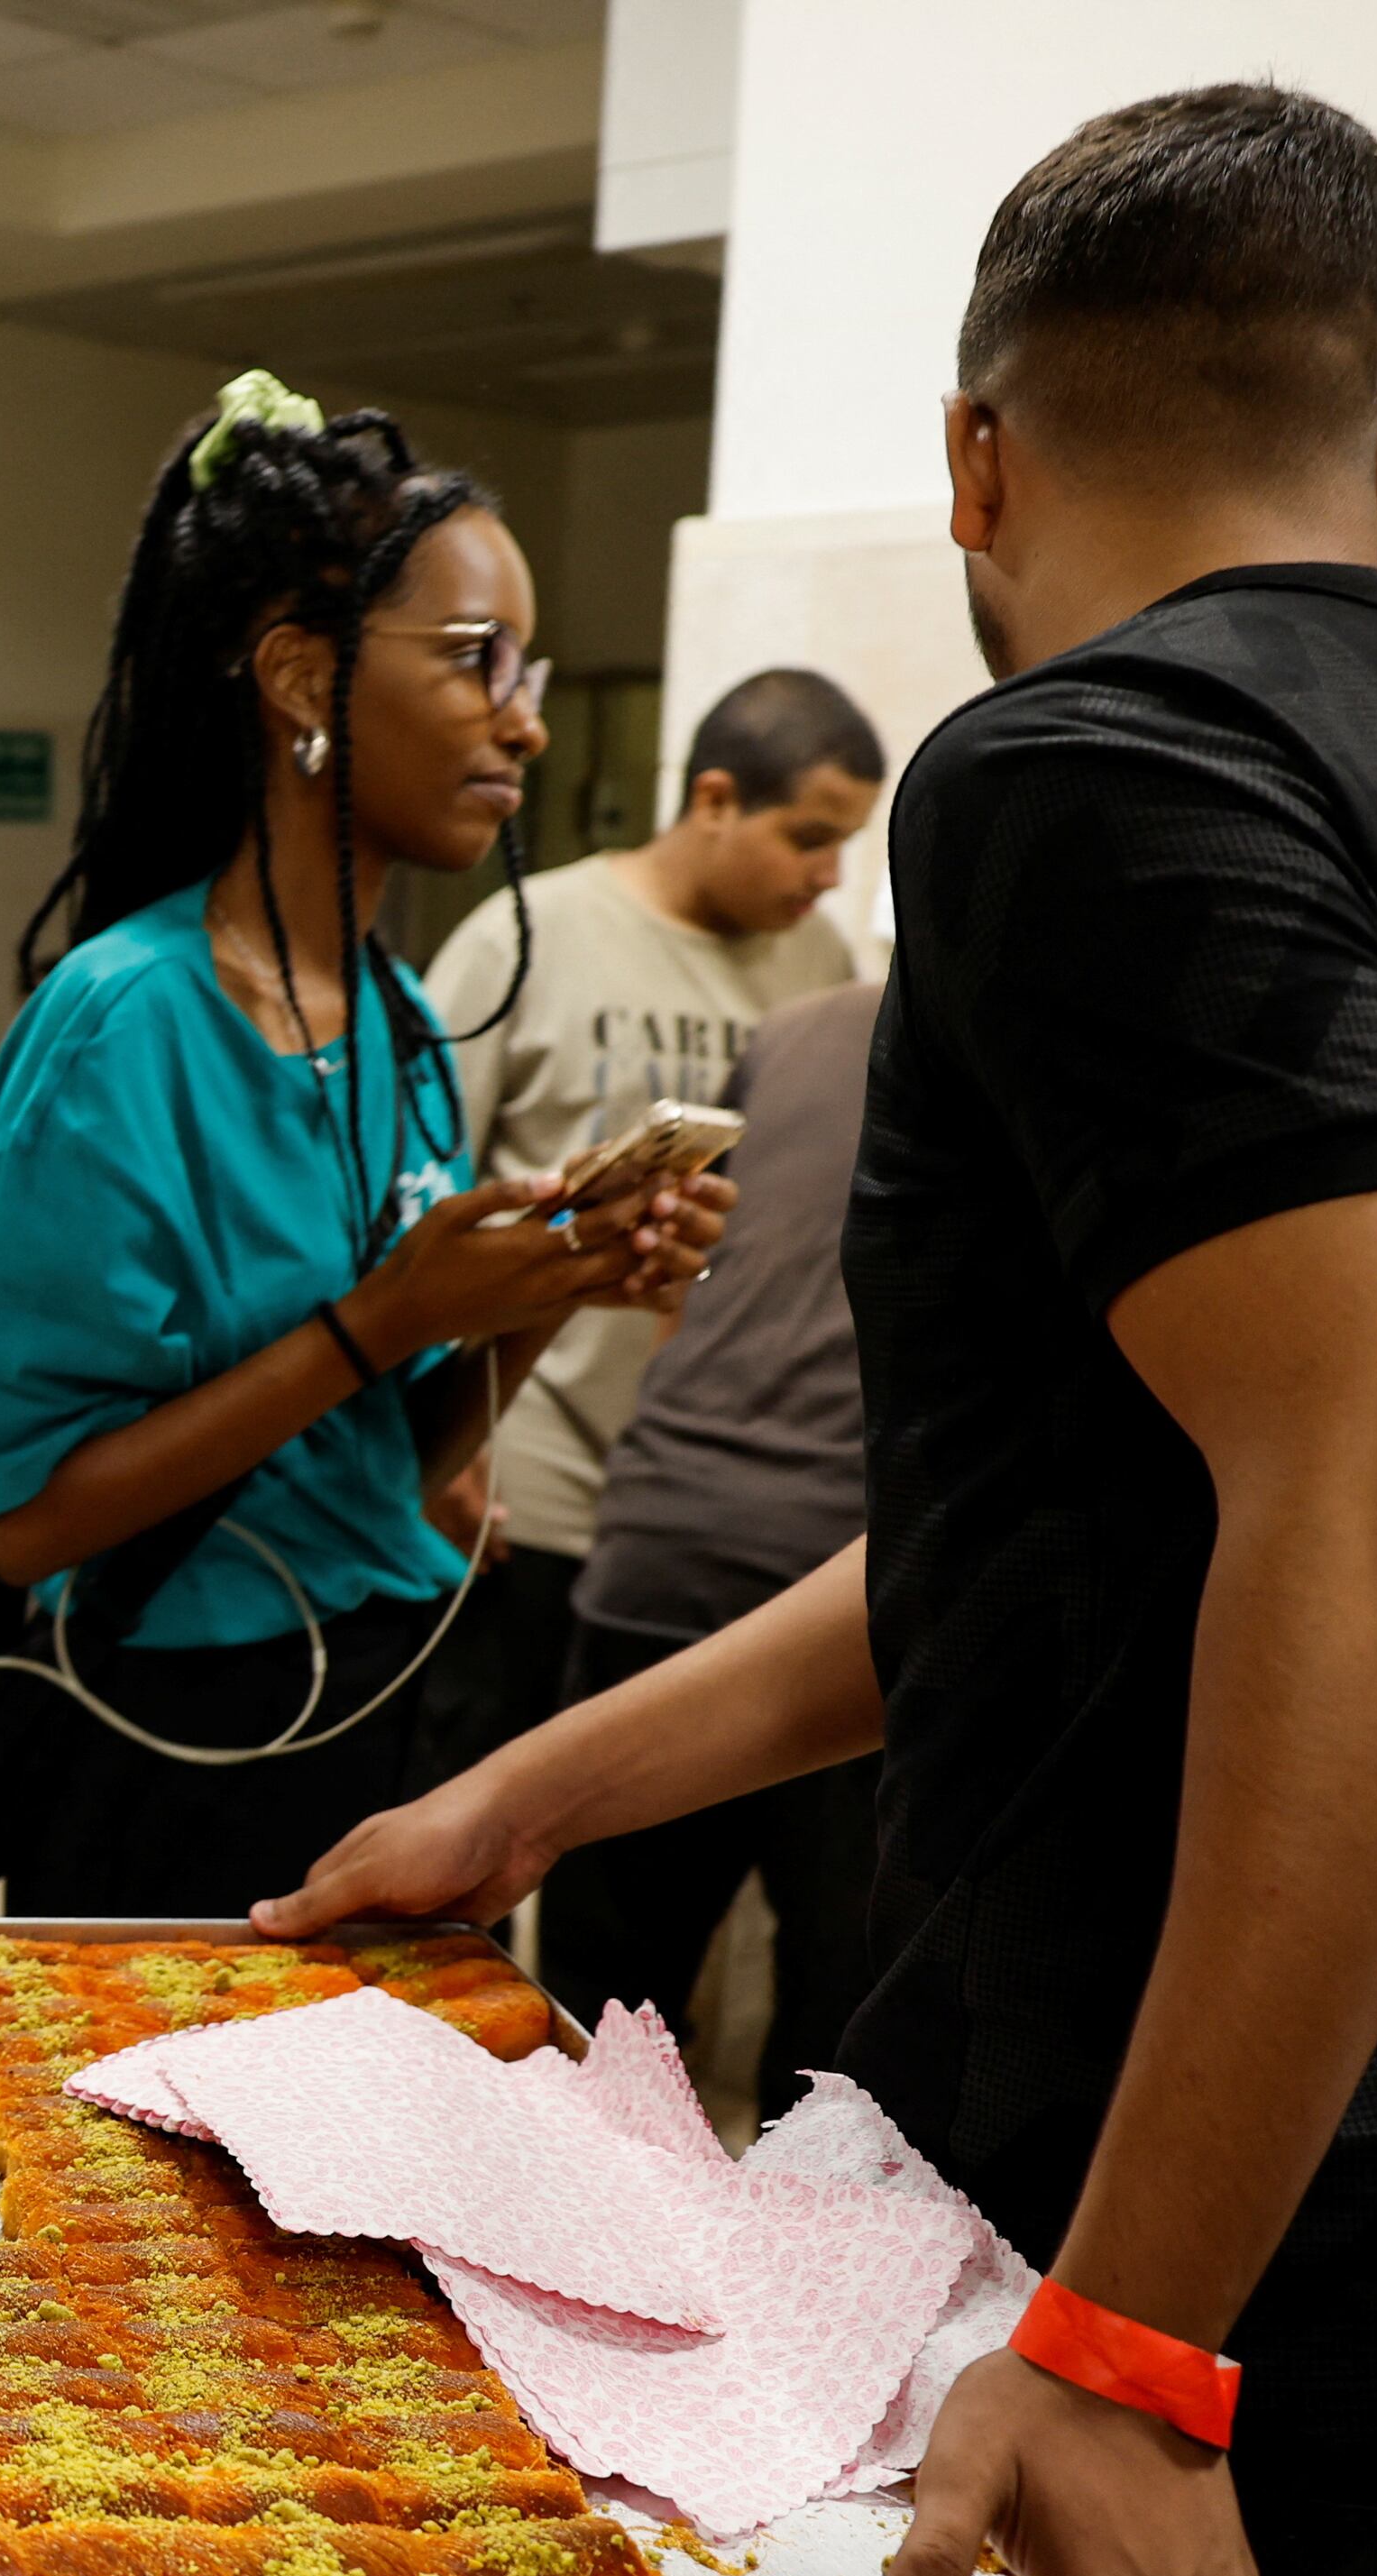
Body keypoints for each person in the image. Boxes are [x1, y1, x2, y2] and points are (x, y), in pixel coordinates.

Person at [267, 86, 1377, 2576]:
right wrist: (518, 1799)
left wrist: (1134, 2340)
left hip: (1338, 2265)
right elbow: (1103, 1526)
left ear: (977, 466)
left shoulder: (1078, 770)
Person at [0, 376, 721, 2576]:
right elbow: (31, 1509)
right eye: (473, 656)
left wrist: (511, 1317)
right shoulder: (128, 1024)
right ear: (296, 670)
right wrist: (386, 1307)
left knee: (325, 2407)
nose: (520, 714)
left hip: (375, 1764)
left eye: (531, 668)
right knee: (144, 2468)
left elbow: (410, 1457)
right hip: (167, 1822)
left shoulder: (382, 1012)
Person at [402, 668, 878, 1806]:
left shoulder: (811, 970)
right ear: (711, 798)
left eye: (845, 847)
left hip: (698, 1501)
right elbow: (416, 1194)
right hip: (526, 1484)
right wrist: (440, 1441)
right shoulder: (529, 933)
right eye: (807, 838)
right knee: (461, 1820)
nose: (827, 878)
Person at [532, 977, 880, 2100]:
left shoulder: (795, 1024)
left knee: (597, 2042)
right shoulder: (1065, 1036)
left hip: (662, 1533)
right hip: (849, 1591)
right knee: (838, 2068)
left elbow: (689, 1284)